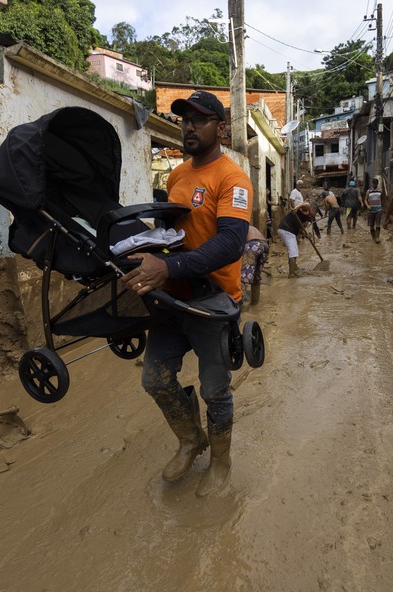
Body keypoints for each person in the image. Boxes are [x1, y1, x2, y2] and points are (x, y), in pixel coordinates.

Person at [120, 90, 252, 497]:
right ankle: (191, 439)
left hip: (214, 300)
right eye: (183, 120)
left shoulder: (232, 178)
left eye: (198, 119)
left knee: (215, 390)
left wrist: (169, 266)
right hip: (173, 298)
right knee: (155, 378)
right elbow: (176, 234)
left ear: (220, 127)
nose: (188, 127)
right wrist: (152, 250)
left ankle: (221, 461)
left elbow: (231, 243)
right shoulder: (177, 176)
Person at [277, 203, 312, 277]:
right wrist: (296, 208)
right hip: (286, 230)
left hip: (288, 231)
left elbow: (301, 230)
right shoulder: (300, 210)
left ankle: (294, 267)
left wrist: (306, 235)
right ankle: (292, 274)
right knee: (293, 252)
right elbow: (306, 204)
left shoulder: (306, 218)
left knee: (294, 250)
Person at [241, 225, 269, 308]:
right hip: (264, 245)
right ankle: (255, 305)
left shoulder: (238, 227)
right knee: (256, 276)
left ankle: (244, 308)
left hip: (252, 245)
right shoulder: (250, 227)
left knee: (242, 278)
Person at [365, 178, 385, 243]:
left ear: (377, 184)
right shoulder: (369, 191)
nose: (375, 185)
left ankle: (377, 238)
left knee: (378, 224)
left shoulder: (380, 190)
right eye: (374, 184)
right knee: (371, 225)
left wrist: (382, 207)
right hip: (371, 210)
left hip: (378, 209)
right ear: (372, 184)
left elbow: (382, 199)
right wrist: (367, 206)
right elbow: (365, 199)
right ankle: (373, 238)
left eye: (376, 184)